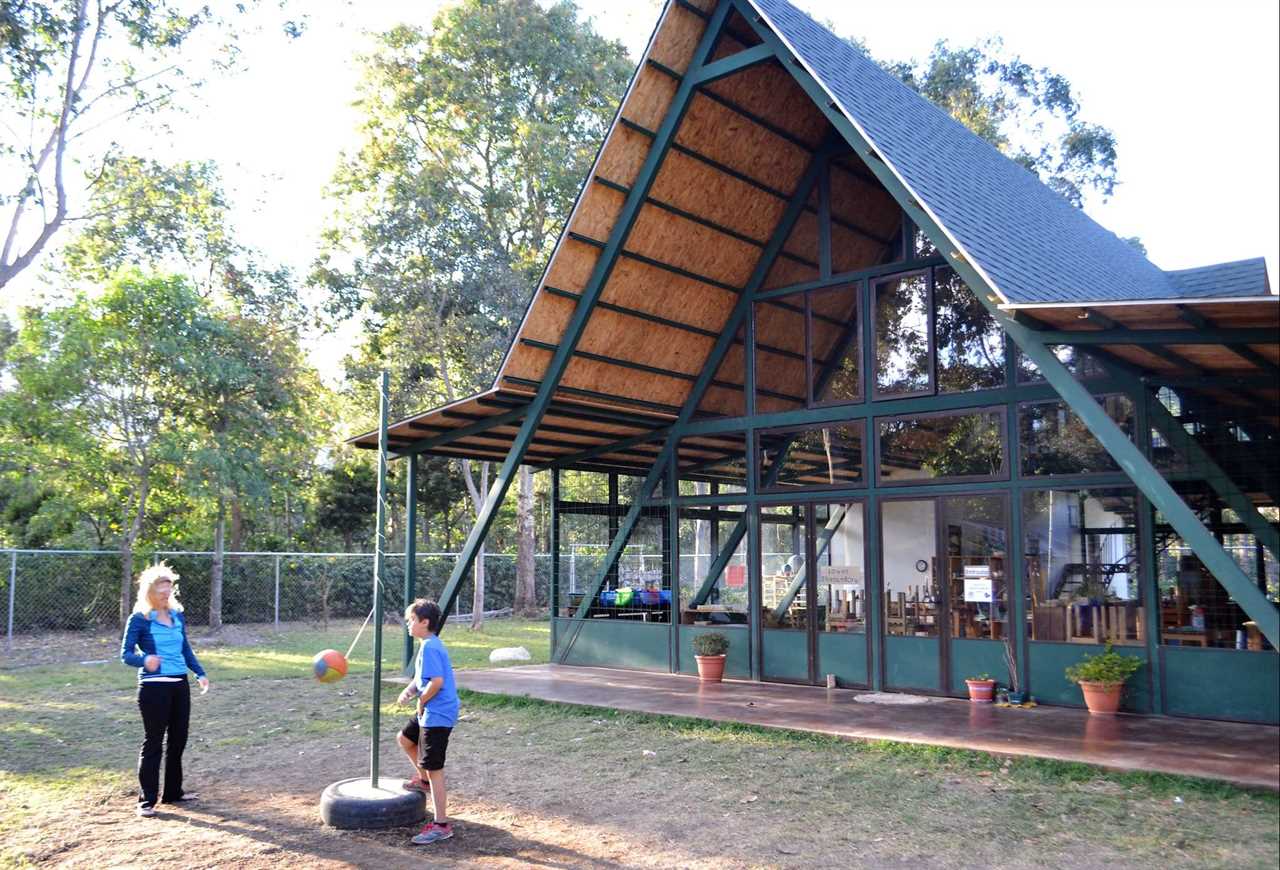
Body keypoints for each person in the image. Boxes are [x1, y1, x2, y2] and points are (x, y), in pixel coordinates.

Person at [119, 563, 210, 817]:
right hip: (153, 687)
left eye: (169, 590)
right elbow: (125, 654)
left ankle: (173, 792)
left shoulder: (177, 616)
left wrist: (199, 672)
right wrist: (144, 660)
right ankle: (146, 799)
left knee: (178, 740)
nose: (166, 595)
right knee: (154, 742)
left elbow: (185, 649)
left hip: (179, 685)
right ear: (150, 592)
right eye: (161, 591)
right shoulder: (139, 619)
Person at [395, 598, 458, 846]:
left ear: (425, 622)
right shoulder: (428, 645)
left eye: (412, 620)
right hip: (432, 710)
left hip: (438, 713)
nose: (408, 624)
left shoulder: (431, 647)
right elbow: (424, 679)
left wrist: (421, 701)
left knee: (435, 768)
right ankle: (423, 780)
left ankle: (441, 825)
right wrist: (409, 692)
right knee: (405, 739)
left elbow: (437, 682)